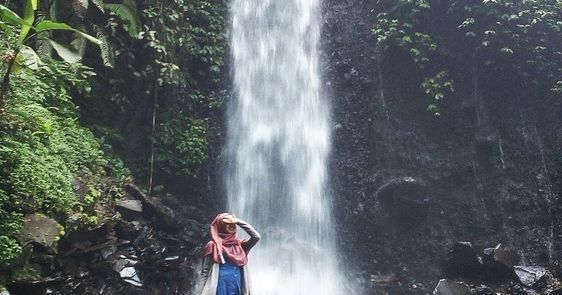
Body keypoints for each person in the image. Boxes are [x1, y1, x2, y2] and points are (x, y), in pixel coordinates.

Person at [196, 213, 261, 295]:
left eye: (233, 224)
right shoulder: (212, 245)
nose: (232, 226)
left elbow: (256, 237)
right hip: (219, 286)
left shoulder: (240, 245)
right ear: (221, 225)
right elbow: (205, 273)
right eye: (228, 224)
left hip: (237, 286)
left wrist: (238, 221)